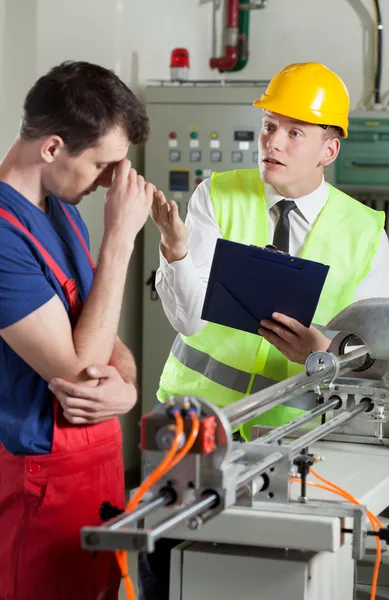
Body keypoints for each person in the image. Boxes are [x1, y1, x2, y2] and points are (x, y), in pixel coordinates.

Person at [135, 62, 389, 599]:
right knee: (168, 569)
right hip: (194, 434)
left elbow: (377, 354)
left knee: (272, 580)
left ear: (329, 150)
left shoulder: (367, 233)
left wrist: (324, 351)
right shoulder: (217, 197)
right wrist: (176, 251)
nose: (273, 140)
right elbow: (188, 318)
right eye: (271, 125)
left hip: (297, 445)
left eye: (295, 131)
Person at [0, 60, 153, 600]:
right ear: (52, 148)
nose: (113, 182)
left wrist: (129, 388)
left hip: (100, 464)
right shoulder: (2, 237)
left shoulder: (62, 210)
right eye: (102, 165)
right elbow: (78, 375)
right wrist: (120, 242)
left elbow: (104, 336)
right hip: (42, 478)